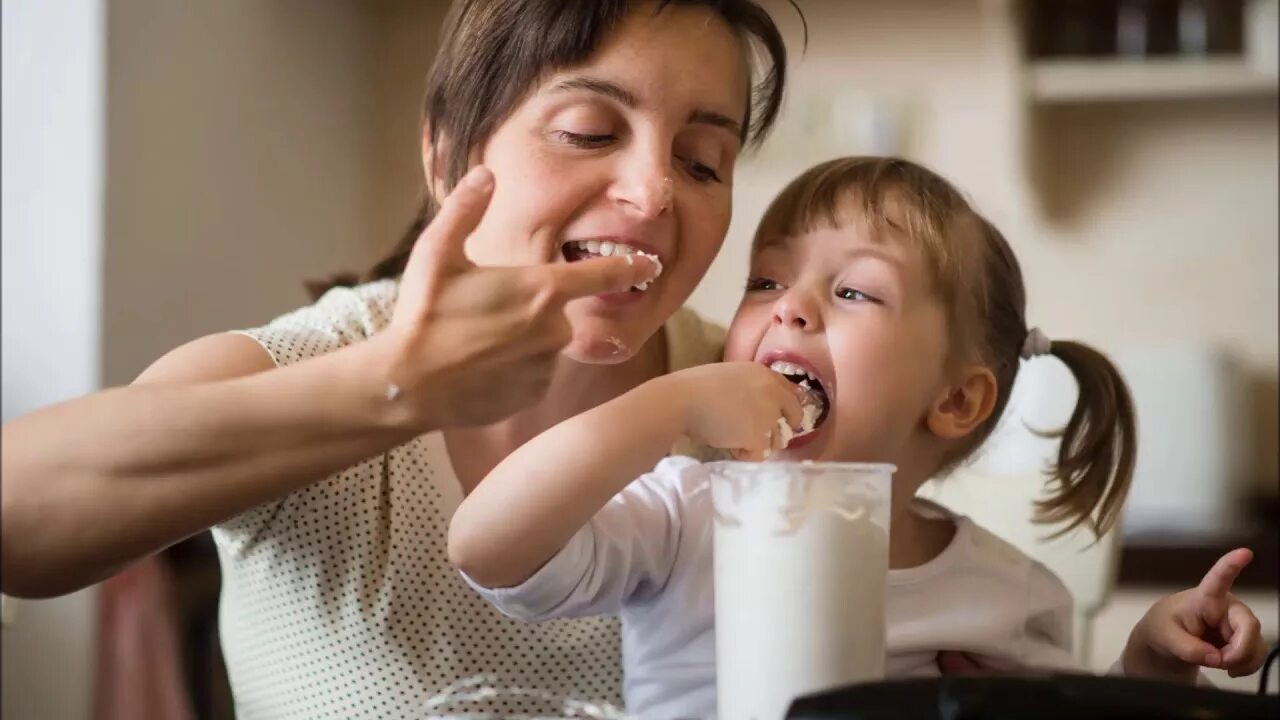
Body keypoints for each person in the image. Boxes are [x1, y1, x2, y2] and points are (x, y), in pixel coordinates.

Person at [0, 1, 794, 716]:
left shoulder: (741, 403)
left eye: (701, 161)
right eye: (589, 131)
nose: (654, 192)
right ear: (447, 155)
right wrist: (401, 387)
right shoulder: (322, 357)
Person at [449, 157, 1270, 719]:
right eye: (765, 280)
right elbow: (486, 547)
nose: (789, 308)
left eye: (853, 291)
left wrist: (1151, 666)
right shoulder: (683, 517)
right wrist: (666, 410)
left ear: (954, 400)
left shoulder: (1009, 592)